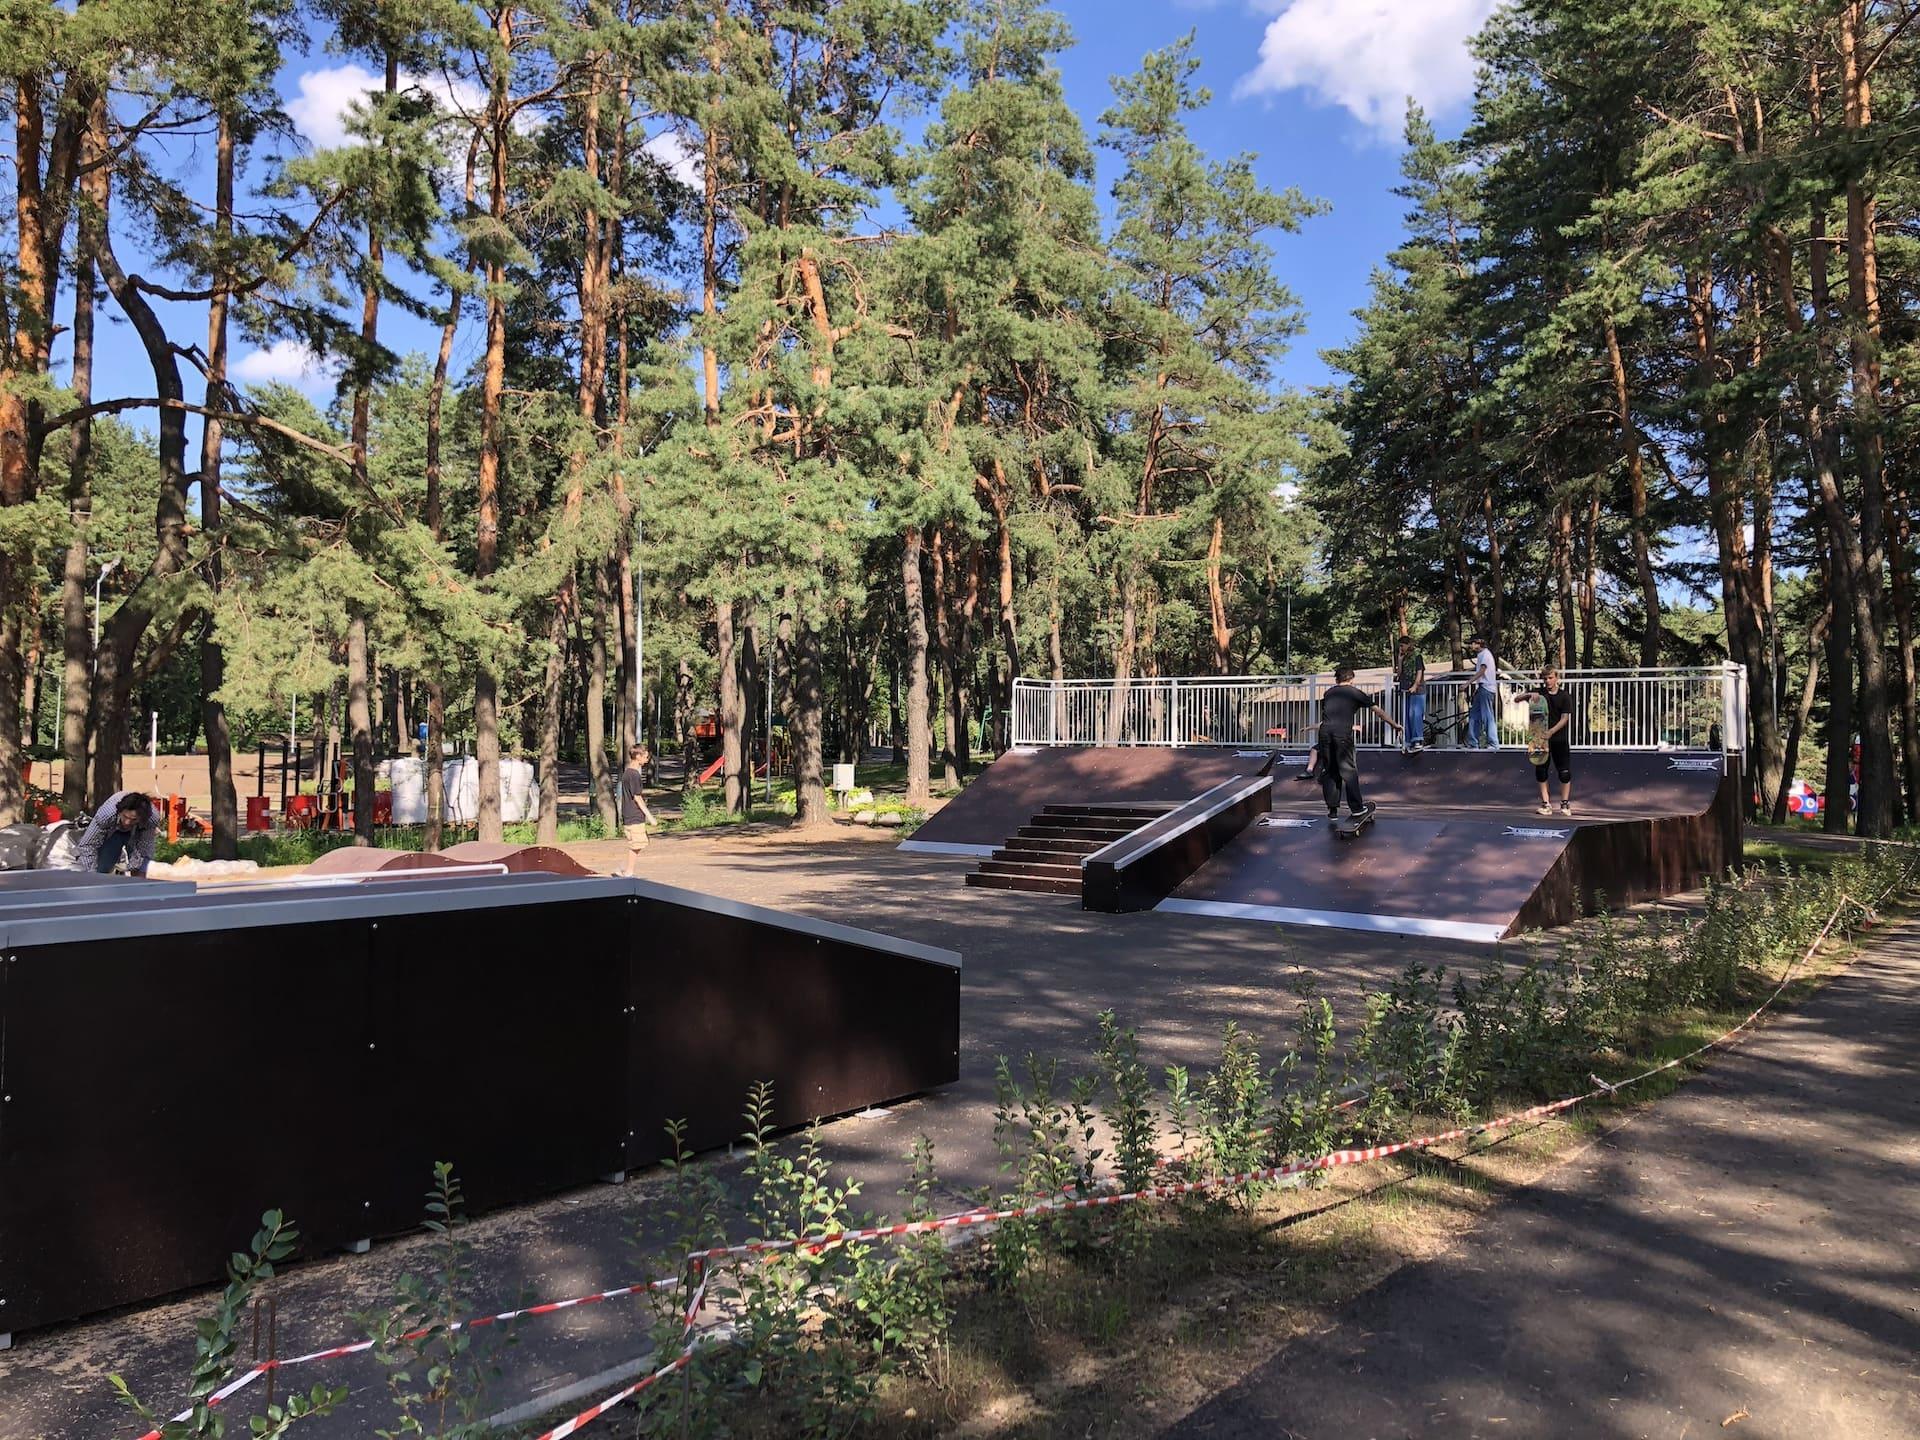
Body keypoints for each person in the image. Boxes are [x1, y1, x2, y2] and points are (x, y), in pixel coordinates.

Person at [1305, 665, 1404, 823]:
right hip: (1342, 734)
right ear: (1351, 679)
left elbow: (1330, 716)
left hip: (1324, 733)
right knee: (1348, 770)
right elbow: (1377, 711)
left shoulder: (1328, 693)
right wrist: (1394, 725)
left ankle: (1332, 810)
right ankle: (1357, 809)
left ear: (1336, 679)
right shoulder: (1355, 693)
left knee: (1330, 770)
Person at [73, 791, 159, 877]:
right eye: (125, 816)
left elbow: (144, 850)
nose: (127, 822)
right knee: (103, 867)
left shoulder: (151, 819)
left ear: (142, 818)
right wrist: (92, 876)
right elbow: (88, 845)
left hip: (137, 830)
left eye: (133, 819)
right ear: (120, 811)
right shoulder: (106, 815)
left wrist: (139, 876)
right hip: (113, 830)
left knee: (140, 866)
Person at [1532, 667, 1575, 816]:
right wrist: (1525, 697)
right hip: (1542, 740)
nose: (1547, 681)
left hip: (1559, 738)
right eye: (1545, 679)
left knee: (1564, 773)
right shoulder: (1540, 693)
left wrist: (1551, 731)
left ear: (1557, 678)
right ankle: (1546, 804)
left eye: (1550, 678)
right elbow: (1520, 699)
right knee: (1541, 771)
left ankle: (1564, 803)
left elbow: (1565, 719)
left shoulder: (1565, 696)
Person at [618, 744, 657, 876]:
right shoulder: (634, 775)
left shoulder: (628, 772)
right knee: (636, 844)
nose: (647, 759)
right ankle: (628, 871)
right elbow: (637, 797)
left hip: (630, 813)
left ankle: (624, 867)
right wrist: (650, 816)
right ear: (637, 756)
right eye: (645, 757)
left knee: (639, 842)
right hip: (633, 814)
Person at [1467, 632, 1499, 748]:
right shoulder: (1480, 655)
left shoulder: (1485, 654)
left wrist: (1467, 683)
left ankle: (1493, 743)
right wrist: (1476, 687)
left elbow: (1482, 671)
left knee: (1487, 716)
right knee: (1474, 715)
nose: (1471, 646)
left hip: (1487, 688)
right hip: (1481, 687)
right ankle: (1472, 743)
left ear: (1479, 643)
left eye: (1472, 643)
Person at [1397, 636, 1427, 752]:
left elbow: (1420, 671)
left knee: (1414, 714)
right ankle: (1408, 740)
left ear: (1408, 644)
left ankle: (1417, 740)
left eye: (1402, 646)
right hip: (1405, 689)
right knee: (1406, 715)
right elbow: (1399, 673)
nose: (1401, 648)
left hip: (1417, 690)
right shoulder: (1404, 657)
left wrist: (1415, 685)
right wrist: (1399, 660)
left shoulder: (1417, 656)